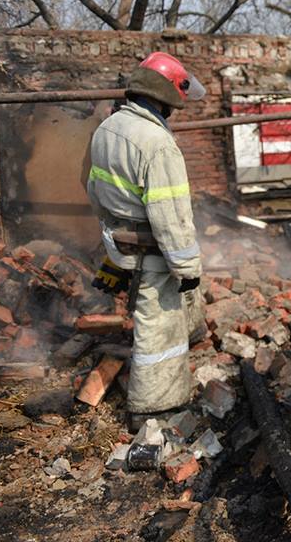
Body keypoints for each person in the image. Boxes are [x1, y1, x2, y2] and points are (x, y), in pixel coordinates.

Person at [87, 51, 205, 431]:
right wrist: (188, 268)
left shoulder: (107, 129)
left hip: (121, 242)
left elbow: (93, 189)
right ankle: (153, 408)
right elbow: (171, 215)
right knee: (159, 327)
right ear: (166, 96)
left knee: (160, 315)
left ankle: (193, 336)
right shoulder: (157, 143)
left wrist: (113, 233)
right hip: (150, 249)